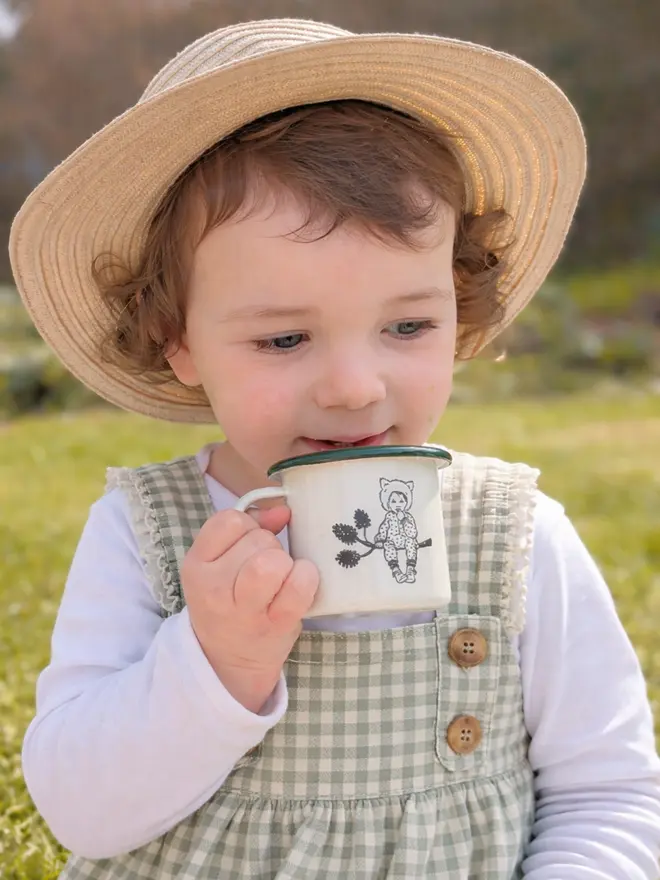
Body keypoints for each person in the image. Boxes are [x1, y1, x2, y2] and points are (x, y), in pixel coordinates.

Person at [10, 18, 660, 880]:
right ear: (178, 341)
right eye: (284, 340)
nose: (354, 386)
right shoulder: (146, 535)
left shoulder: (515, 538)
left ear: (458, 314)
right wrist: (214, 662)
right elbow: (81, 813)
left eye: (407, 325)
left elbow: (608, 794)